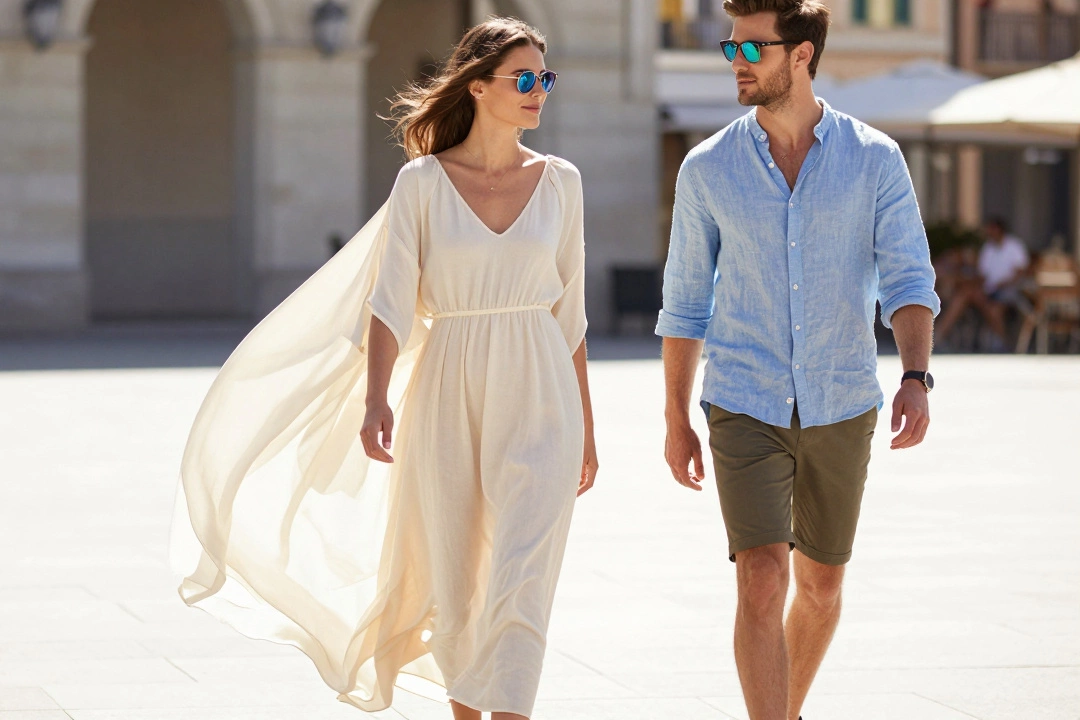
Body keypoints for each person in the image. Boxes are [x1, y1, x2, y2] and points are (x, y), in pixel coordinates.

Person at [172, 17, 598, 720]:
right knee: (455, 584)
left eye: (545, 78)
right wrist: (376, 399)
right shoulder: (422, 183)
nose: (539, 92)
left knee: (523, 581)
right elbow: (391, 303)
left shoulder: (562, 183)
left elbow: (572, 316)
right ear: (479, 85)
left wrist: (585, 425)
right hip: (446, 391)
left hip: (542, 393)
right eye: (524, 78)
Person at [655, 2, 941, 719]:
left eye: (753, 50)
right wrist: (675, 417)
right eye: (732, 49)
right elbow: (685, 303)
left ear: (803, 55)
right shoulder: (707, 168)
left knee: (821, 587)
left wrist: (914, 376)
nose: (737, 64)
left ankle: (784, 709)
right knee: (760, 578)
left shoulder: (874, 158)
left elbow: (908, 278)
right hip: (742, 399)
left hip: (841, 397)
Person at [934, 216, 1032, 350]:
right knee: (964, 294)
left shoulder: (1014, 246)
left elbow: (1020, 273)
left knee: (994, 309)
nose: (988, 232)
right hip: (989, 290)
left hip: (1009, 291)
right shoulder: (988, 248)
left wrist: (1003, 284)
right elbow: (983, 275)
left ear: (998, 229)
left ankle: (1005, 342)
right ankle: (938, 336)